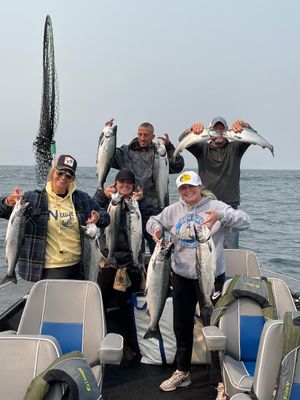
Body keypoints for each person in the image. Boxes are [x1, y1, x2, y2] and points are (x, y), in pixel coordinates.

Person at [146, 171, 250, 393]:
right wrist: (155, 229)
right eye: (183, 188)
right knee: (181, 325)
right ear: (179, 191)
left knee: (214, 326)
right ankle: (182, 372)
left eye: (191, 186)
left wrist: (221, 217)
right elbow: (153, 220)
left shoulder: (216, 205)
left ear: (200, 186)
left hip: (211, 278)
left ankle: (220, 379)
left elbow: (245, 220)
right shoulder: (173, 210)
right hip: (181, 277)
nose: (187, 191)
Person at [0, 154, 110, 281]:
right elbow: (3, 211)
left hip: (79, 266)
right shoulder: (33, 198)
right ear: (52, 172)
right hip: (49, 268)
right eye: (60, 172)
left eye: (68, 175)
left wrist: (97, 217)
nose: (63, 177)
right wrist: (8, 201)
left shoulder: (82, 198)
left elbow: (106, 218)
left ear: (72, 179)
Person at [104, 119, 184, 253]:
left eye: (146, 135)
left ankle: (156, 272)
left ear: (152, 136)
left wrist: (169, 146)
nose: (142, 137)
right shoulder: (125, 152)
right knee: (132, 248)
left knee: (158, 248)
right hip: (131, 209)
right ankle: (135, 269)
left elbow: (178, 166)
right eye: (140, 134)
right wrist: (106, 135)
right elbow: (106, 155)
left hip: (154, 210)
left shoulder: (159, 153)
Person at [94, 169, 144, 362]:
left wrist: (142, 201)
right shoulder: (108, 201)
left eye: (129, 183)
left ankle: (128, 345)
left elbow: (152, 217)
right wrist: (102, 195)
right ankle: (100, 341)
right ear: (115, 185)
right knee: (101, 302)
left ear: (133, 187)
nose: (125, 185)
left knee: (126, 308)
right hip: (108, 262)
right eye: (121, 182)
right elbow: (88, 210)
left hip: (130, 263)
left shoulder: (136, 204)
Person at [182, 117, 252, 248]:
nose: (219, 131)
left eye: (222, 128)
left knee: (229, 252)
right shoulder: (202, 149)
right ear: (210, 132)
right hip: (206, 207)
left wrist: (245, 125)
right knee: (204, 250)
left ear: (227, 131)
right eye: (215, 129)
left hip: (229, 208)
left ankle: (229, 269)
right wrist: (191, 130)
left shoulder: (235, 148)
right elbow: (183, 140)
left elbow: (251, 135)